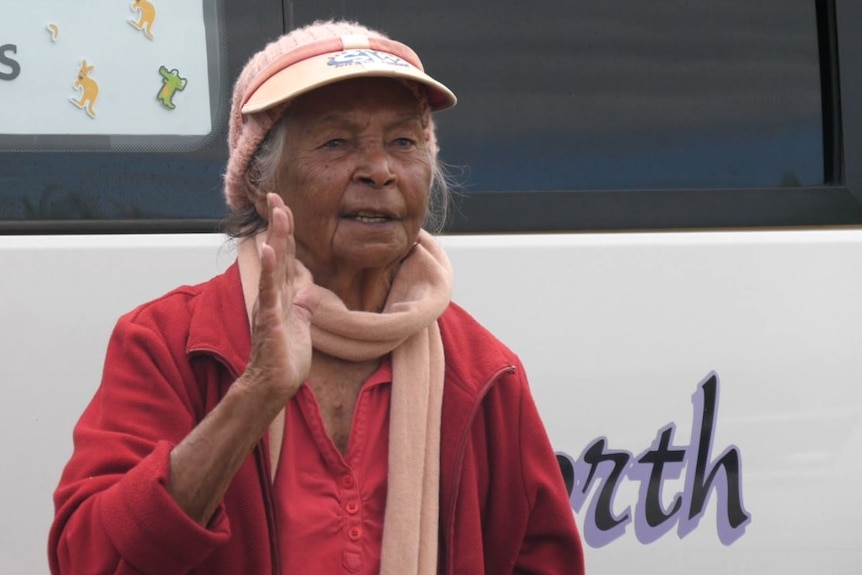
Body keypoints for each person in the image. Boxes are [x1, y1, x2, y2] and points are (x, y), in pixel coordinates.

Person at [48, 19, 585, 575]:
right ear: (259, 180)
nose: (380, 171)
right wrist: (255, 395)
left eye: (403, 142)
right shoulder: (170, 344)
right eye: (337, 142)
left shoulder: (483, 374)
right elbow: (89, 559)